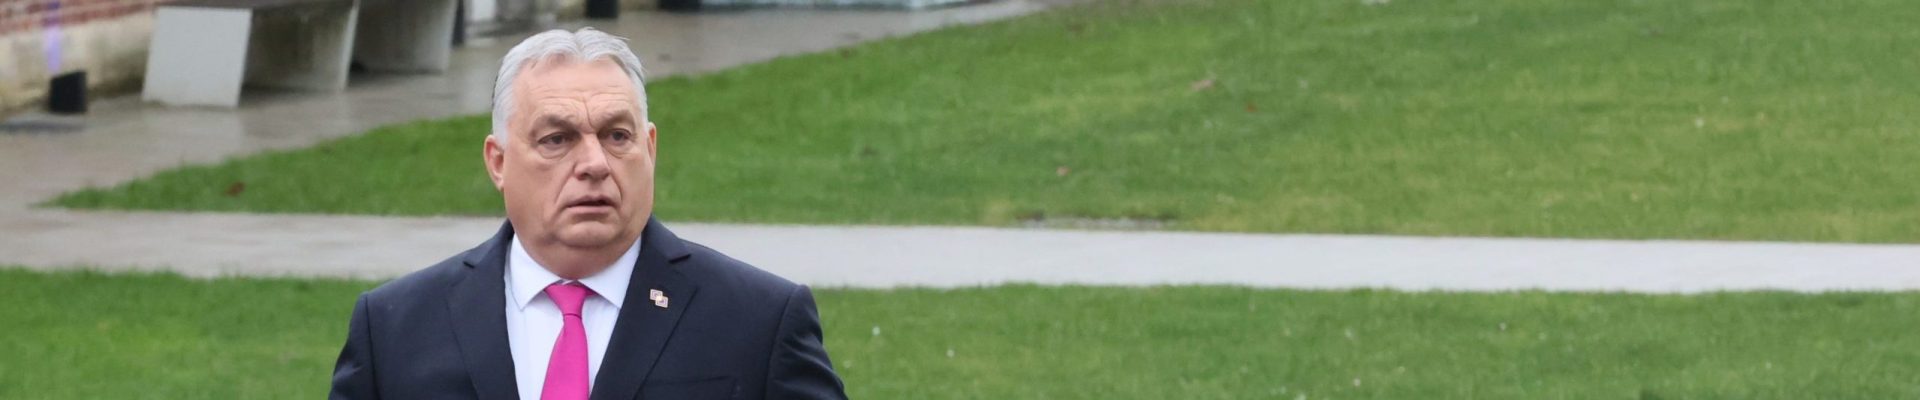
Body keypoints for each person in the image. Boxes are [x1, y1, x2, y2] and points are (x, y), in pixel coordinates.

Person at [329, 28, 847, 400]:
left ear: (650, 148)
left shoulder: (758, 321)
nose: (595, 164)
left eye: (617, 136)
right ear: (499, 162)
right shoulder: (396, 329)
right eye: (557, 139)